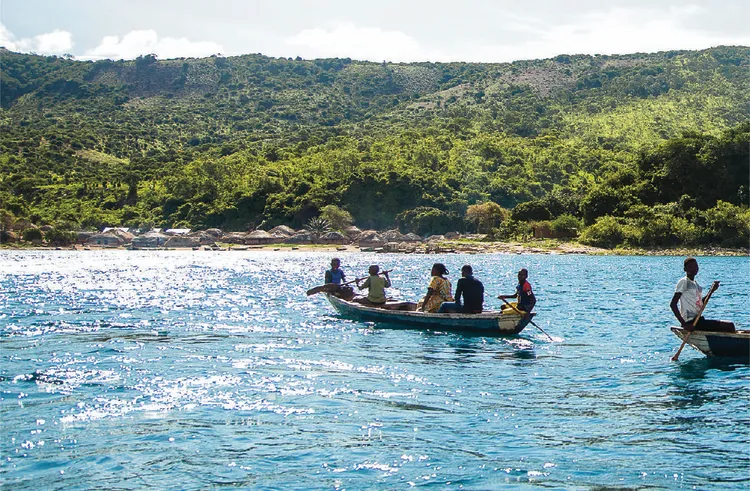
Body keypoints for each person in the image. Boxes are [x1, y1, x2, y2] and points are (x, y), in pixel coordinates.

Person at [670, 257, 735, 332]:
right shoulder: (684, 282)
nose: (694, 268)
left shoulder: (696, 285)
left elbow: (700, 303)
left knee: (728, 327)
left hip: (698, 320)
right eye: (691, 267)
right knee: (730, 326)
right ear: (685, 269)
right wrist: (684, 324)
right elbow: (673, 304)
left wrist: (711, 291)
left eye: (696, 266)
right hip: (691, 322)